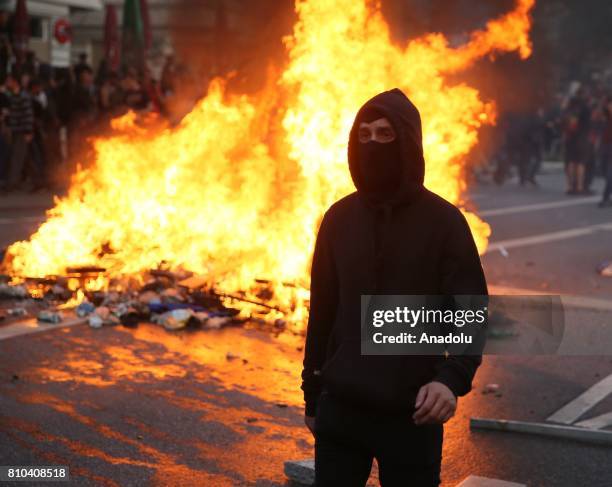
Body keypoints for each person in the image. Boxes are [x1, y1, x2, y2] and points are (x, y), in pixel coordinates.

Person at [301, 88, 488, 487]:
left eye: (385, 135)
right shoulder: (338, 219)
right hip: (341, 412)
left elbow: (471, 311)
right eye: (363, 135)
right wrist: (312, 395)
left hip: (412, 415)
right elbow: (322, 314)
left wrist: (450, 378)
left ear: (407, 143)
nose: (372, 144)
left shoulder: (444, 222)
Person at [5, 73, 35, 190]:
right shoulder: (13, 96)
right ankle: (40, 180)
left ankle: (12, 183)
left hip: (22, 132)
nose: (7, 83)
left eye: (9, 80)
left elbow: (28, 115)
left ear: (14, 82)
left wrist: (28, 132)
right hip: (16, 131)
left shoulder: (23, 96)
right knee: (26, 158)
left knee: (17, 158)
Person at [599, 98, 612, 208]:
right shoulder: (605, 119)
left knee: (609, 175)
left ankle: (605, 198)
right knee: (605, 172)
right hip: (606, 148)